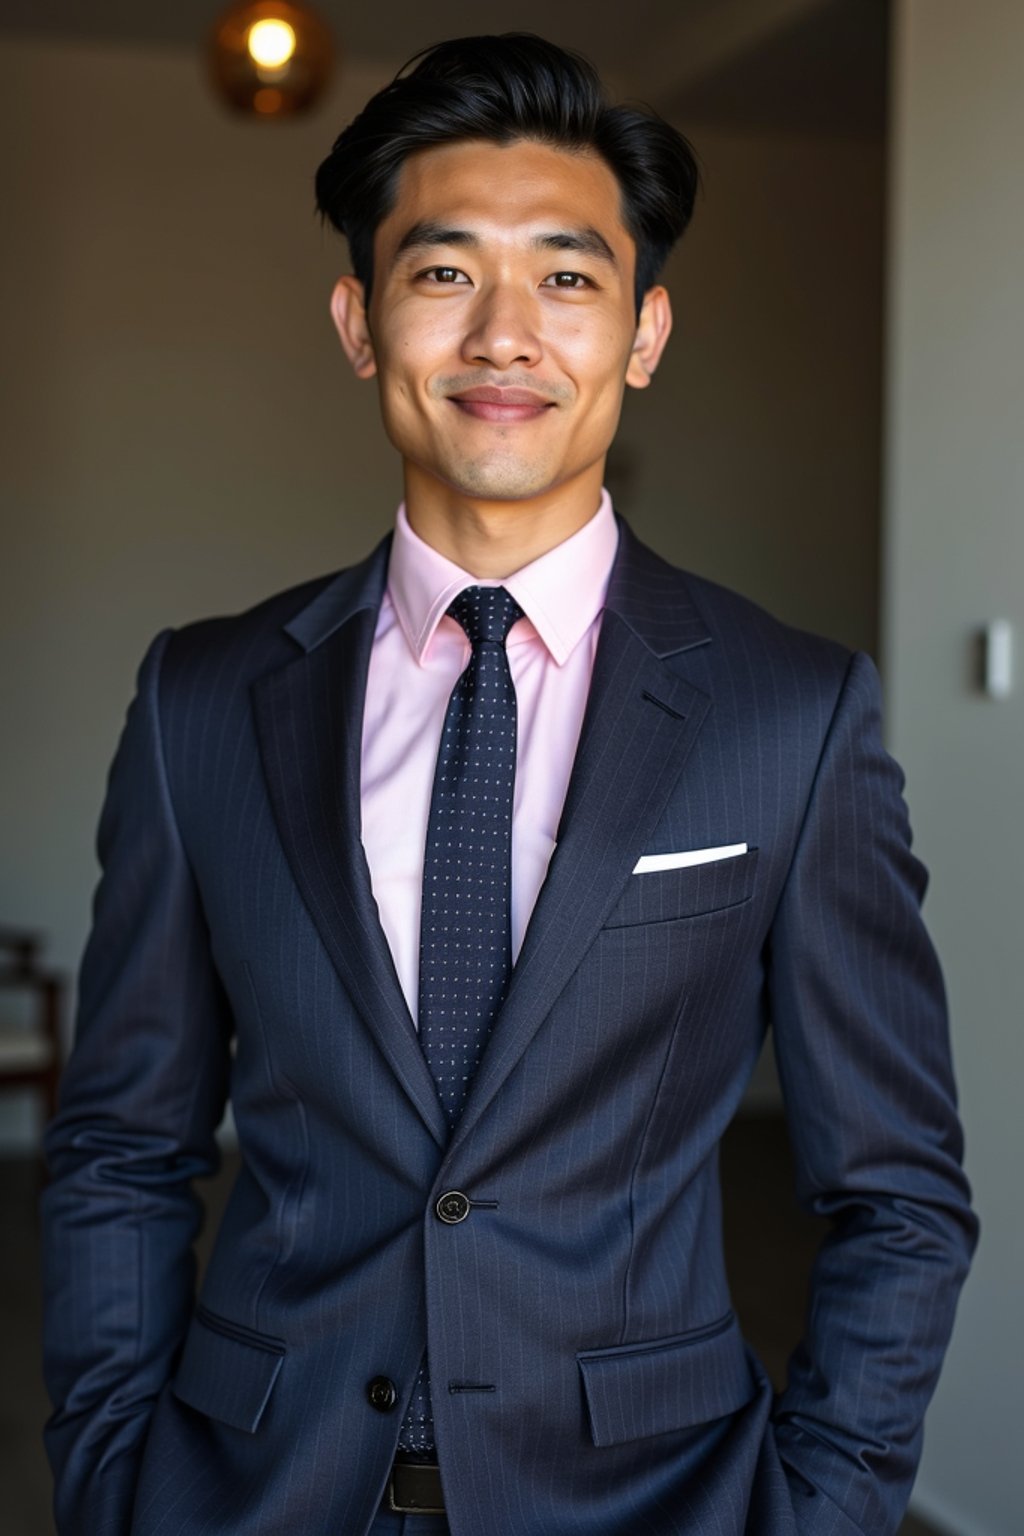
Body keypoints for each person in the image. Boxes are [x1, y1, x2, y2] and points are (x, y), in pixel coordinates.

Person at [41, 32, 977, 1536]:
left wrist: (822, 1510)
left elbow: (898, 1196)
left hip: (655, 1497)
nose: (503, 336)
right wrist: (111, 1482)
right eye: (441, 272)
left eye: (565, 276)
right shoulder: (201, 700)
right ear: (360, 322)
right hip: (253, 1492)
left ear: (645, 329)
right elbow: (120, 1152)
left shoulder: (790, 714)